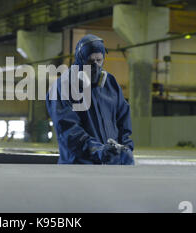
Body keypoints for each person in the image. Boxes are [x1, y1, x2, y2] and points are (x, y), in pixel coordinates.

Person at [46, 34, 135, 165]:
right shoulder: (63, 87)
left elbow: (123, 120)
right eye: (90, 62)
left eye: (99, 60)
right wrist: (97, 150)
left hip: (111, 167)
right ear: (79, 61)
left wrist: (125, 148)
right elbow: (68, 129)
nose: (96, 67)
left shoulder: (110, 83)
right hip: (78, 168)